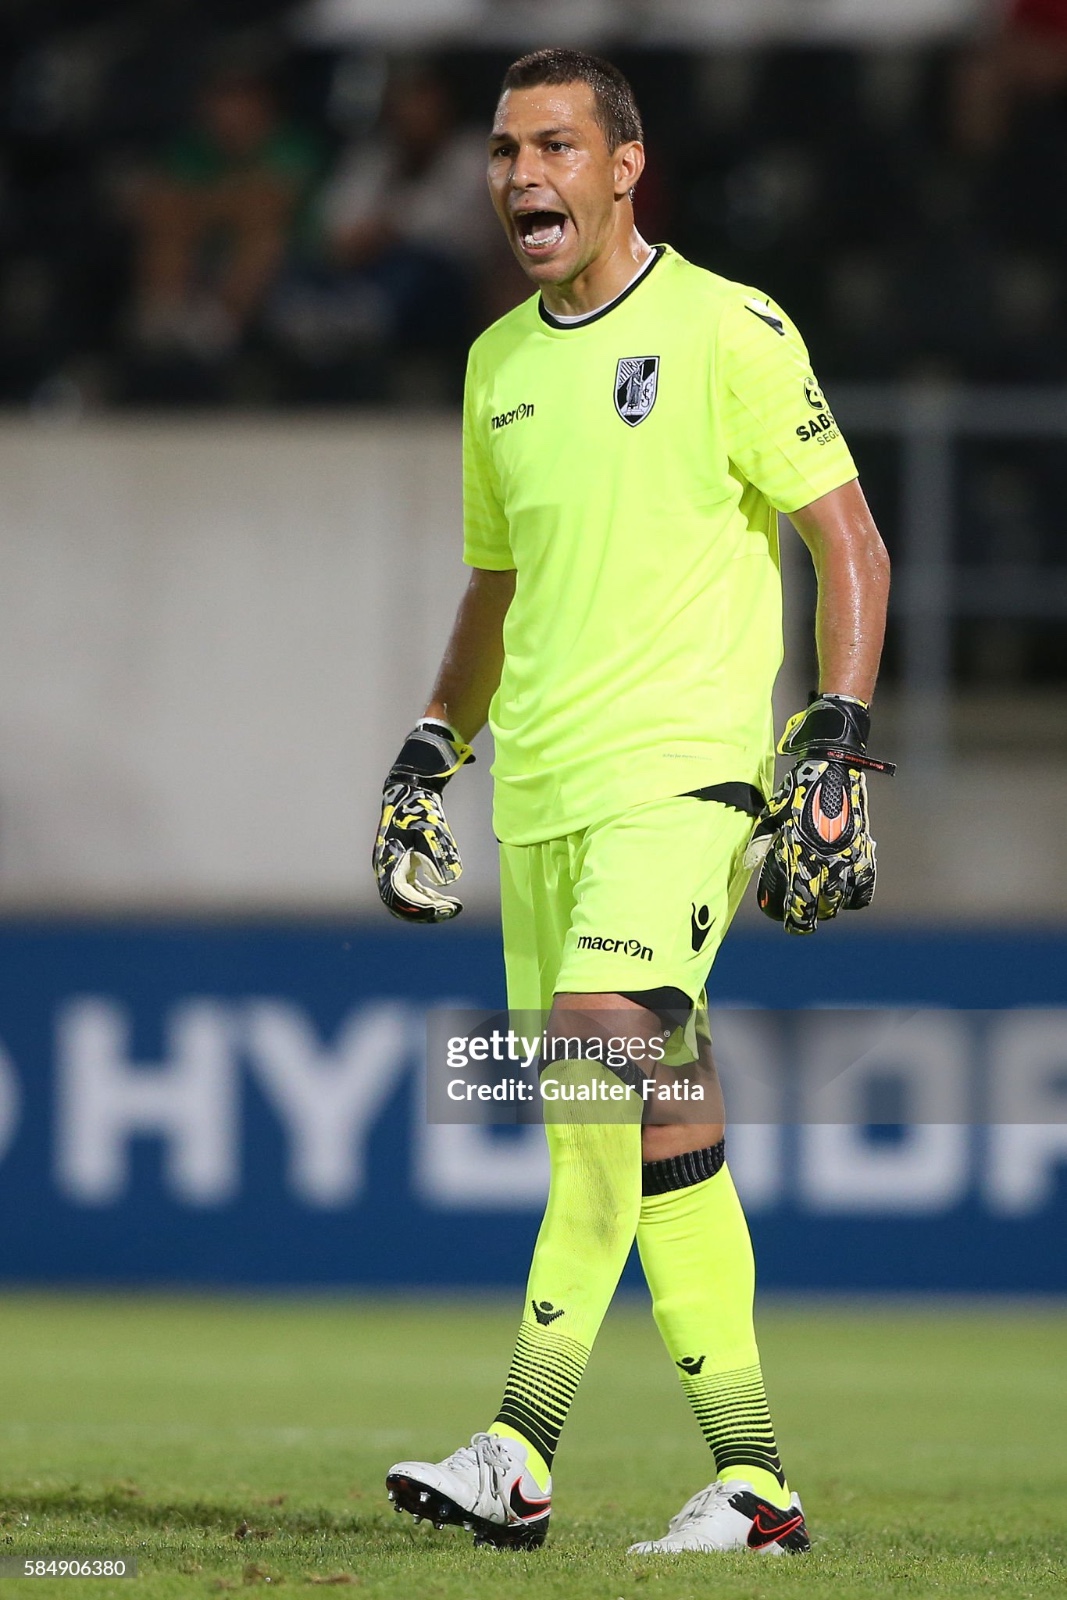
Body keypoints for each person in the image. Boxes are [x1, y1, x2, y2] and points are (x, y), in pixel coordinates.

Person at [372, 48, 891, 1556]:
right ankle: (752, 1481)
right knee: (644, 1123)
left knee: (603, 1055)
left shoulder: (728, 327)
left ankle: (517, 1445)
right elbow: (495, 589)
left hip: (683, 773)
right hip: (536, 792)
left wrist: (838, 738)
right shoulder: (494, 367)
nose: (520, 174)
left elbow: (846, 543)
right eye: (499, 150)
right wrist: (428, 746)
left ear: (621, 167)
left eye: (551, 146)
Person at [130, 69, 319, 360]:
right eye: (223, 102)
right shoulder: (191, 148)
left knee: (262, 229)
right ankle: (163, 317)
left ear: (264, 105)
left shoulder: (291, 143)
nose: (231, 113)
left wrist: (205, 204)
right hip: (204, 249)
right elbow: (160, 201)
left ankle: (220, 323)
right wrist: (222, 204)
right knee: (167, 222)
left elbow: (269, 202)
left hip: (290, 260)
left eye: (241, 101)